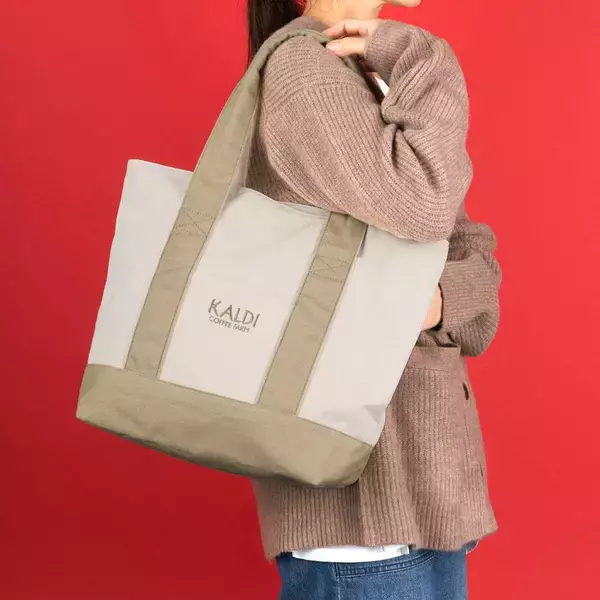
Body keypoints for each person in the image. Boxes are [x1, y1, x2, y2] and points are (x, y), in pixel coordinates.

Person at [246, 1, 501, 598]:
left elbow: (478, 282)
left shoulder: (361, 80)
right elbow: (429, 208)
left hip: (414, 508)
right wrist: (424, 55)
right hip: (364, 529)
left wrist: (440, 296)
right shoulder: (305, 75)